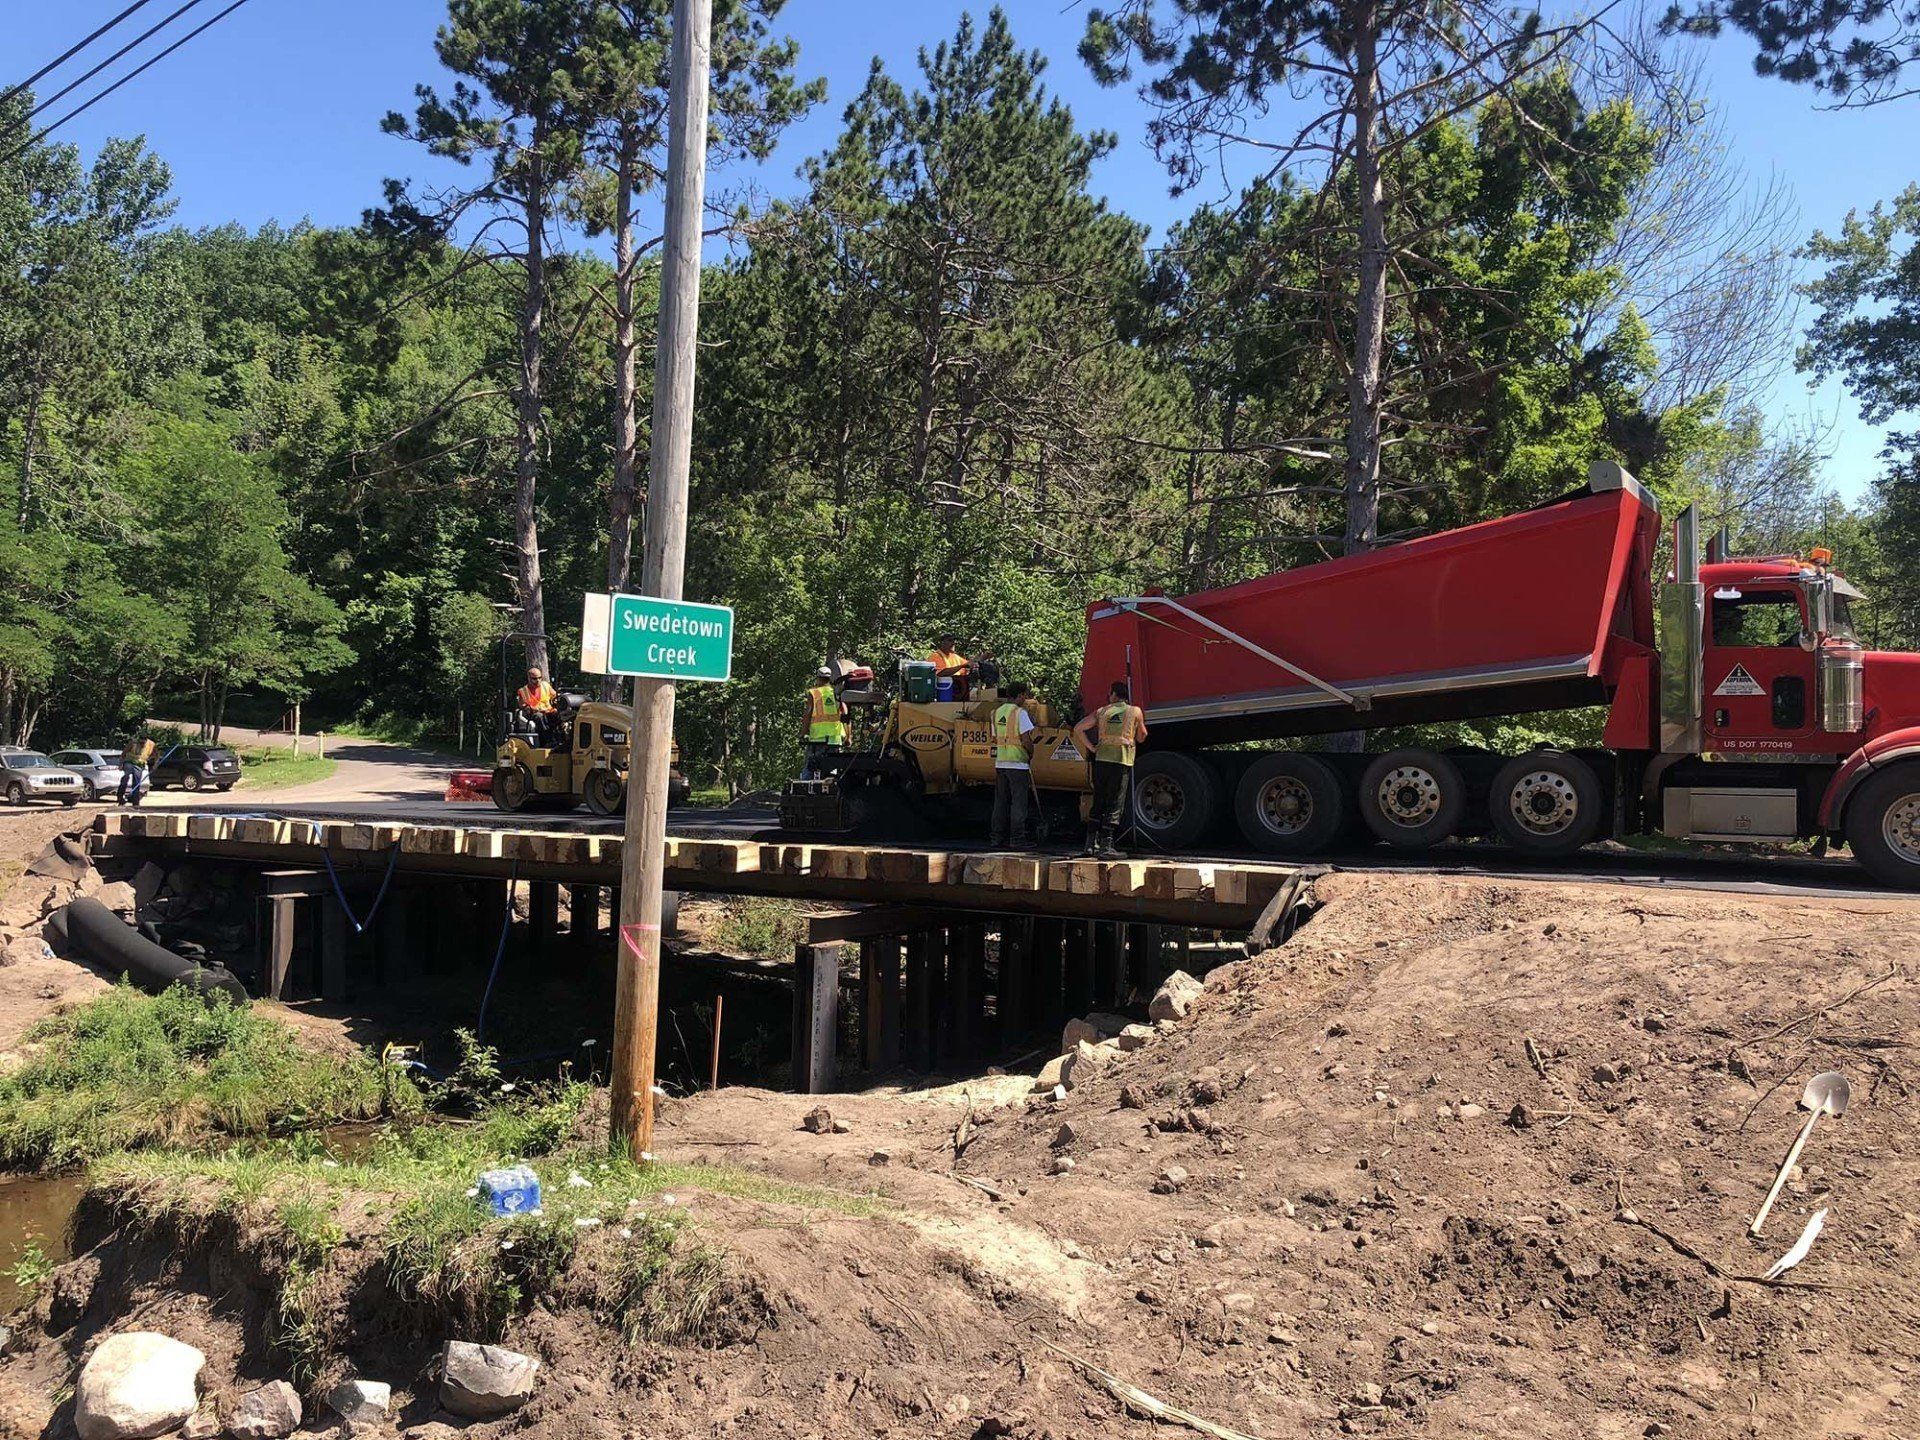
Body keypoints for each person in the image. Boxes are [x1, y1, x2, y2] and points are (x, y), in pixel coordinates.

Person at [1074, 679, 1147, 857]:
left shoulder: (1102, 712)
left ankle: (1090, 845)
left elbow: (1078, 728)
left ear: (1114, 694)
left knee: (1099, 800)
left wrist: (1092, 748)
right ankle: (1106, 846)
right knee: (1115, 802)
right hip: (1121, 761)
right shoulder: (1134, 711)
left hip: (1101, 761)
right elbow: (1142, 736)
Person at [989, 681, 1039, 848]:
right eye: (1025, 695)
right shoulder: (1020, 713)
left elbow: (995, 738)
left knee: (1000, 802)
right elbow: (1026, 739)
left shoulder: (996, 713)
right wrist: (1030, 753)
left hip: (1001, 763)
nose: (1025, 699)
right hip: (1018, 764)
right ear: (1020, 695)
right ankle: (1017, 839)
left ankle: (996, 838)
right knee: (1018, 803)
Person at [800, 666, 848, 780]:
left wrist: (803, 733)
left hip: (818, 739)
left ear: (818, 678)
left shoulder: (814, 693)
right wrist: (848, 736)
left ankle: (805, 788)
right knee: (832, 767)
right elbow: (845, 713)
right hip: (835, 739)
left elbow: (808, 713)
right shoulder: (836, 693)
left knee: (811, 767)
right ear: (829, 679)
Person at [517, 666, 559, 746]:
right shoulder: (523, 691)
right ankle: (548, 741)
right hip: (533, 713)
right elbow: (522, 706)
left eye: (540, 678)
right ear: (529, 678)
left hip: (548, 711)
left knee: (558, 715)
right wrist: (532, 709)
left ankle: (560, 739)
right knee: (539, 717)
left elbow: (555, 696)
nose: (538, 680)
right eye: (535, 679)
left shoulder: (546, 686)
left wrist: (556, 703)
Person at [928, 634, 970, 701]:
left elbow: (969, 664)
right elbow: (941, 673)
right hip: (944, 691)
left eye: (954, 641)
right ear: (942, 643)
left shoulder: (954, 656)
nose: (953, 643)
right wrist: (961, 666)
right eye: (950, 640)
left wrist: (982, 658)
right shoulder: (935, 656)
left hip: (958, 690)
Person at [118, 734, 155, 807]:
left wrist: (154, 765)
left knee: (137, 782)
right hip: (129, 762)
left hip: (139, 765)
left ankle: (135, 801)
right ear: (138, 740)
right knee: (126, 777)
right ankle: (120, 797)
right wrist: (121, 764)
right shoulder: (133, 743)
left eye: (143, 743)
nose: (142, 745)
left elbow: (156, 755)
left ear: (146, 741)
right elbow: (124, 753)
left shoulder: (151, 744)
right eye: (140, 743)